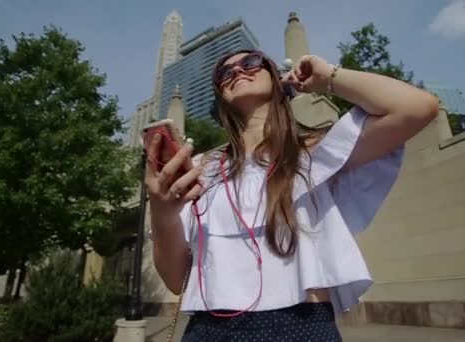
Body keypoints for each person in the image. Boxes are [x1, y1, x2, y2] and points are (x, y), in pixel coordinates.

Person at [145, 49, 438, 341]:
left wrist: (330, 78)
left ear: (276, 77)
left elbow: (418, 107)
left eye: (250, 63)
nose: (237, 71)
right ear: (220, 96)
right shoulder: (200, 170)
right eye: (225, 72)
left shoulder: (317, 152)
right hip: (209, 330)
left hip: (301, 326)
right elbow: (174, 280)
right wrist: (163, 213)